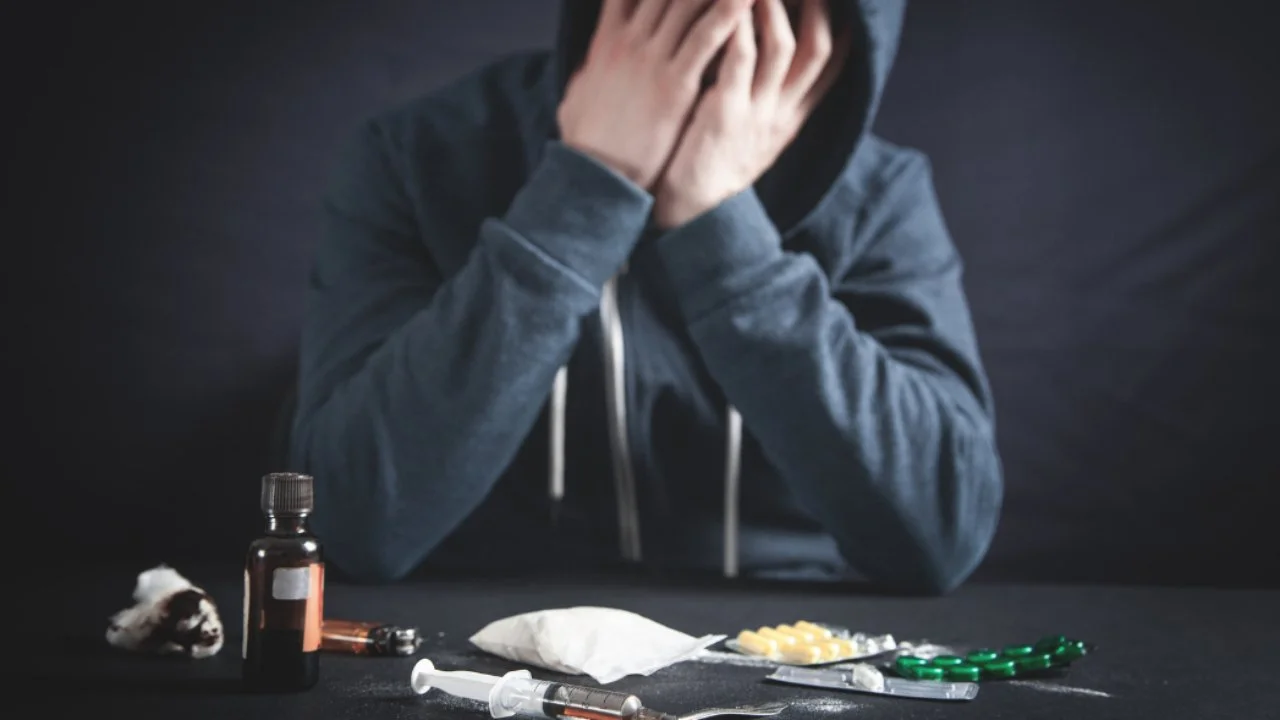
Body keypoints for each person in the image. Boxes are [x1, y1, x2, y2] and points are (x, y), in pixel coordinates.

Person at [289, 0, 1004, 594]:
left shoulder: (876, 193)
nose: (725, 33)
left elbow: (940, 537)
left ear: (838, 36)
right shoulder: (419, 154)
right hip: (473, 640)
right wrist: (587, 187)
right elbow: (352, 525)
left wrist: (721, 225)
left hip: (780, 641)